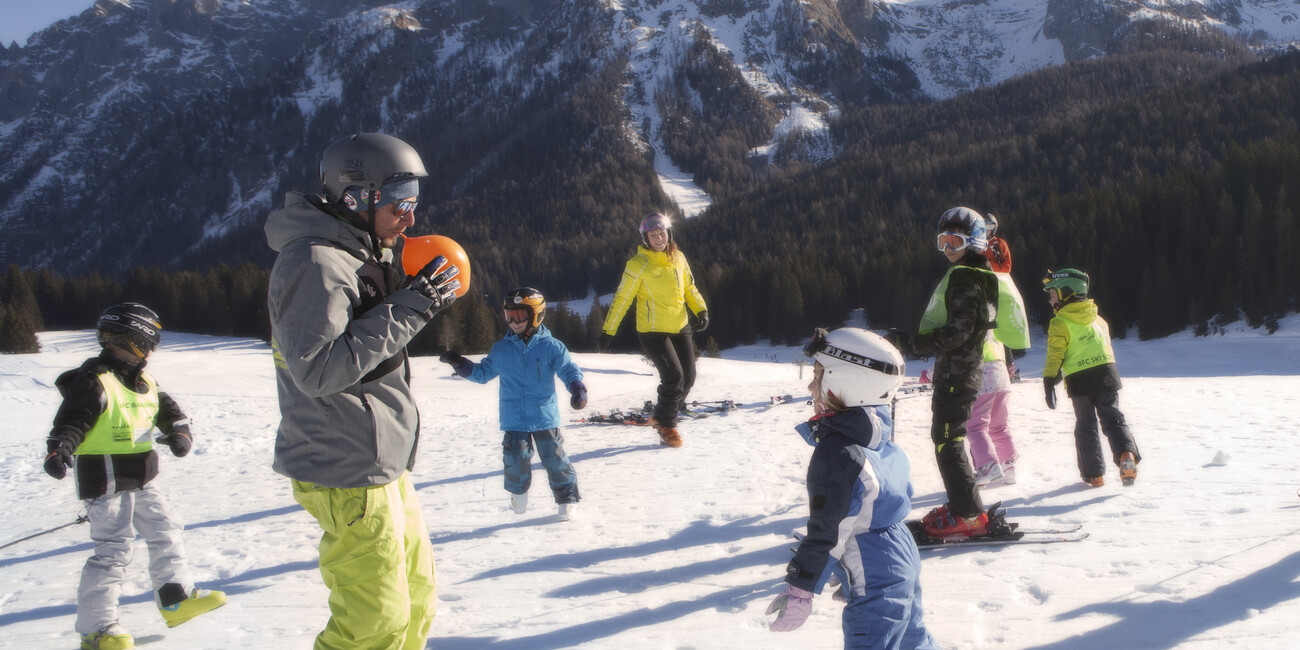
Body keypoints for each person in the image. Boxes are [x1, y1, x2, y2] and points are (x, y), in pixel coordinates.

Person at [266, 133, 460, 649]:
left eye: (414, 202)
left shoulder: (362, 254)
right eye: (399, 204)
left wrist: (410, 295)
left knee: (416, 601)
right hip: (345, 462)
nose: (409, 218)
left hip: (381, 458)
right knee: (374, 623)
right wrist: (411, 306)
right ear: (357, 197)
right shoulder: (315, 263)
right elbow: (317, 370)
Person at [42, 303, 226, 650]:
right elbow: (71, 421)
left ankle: (175, 599)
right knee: (114, 550)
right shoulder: (94, 381)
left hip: (142, 476)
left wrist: (179, 433)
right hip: (105, 479)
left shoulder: (145, 381)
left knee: (166, 529)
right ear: (132, 340)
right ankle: (96, 630)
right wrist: (59, 449)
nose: (150, 353)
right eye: (147, 345)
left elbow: (170, 412)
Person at [767, 328, 938, 650]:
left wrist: (801, 589)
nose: (810, 387)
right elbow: (880, 503)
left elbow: (828, 530)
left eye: (818, 377)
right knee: (911, 636)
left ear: (847, 382)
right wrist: (847, 569)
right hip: (901, 551)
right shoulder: (878, 437)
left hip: (875, 565)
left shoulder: (839, 453)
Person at [886, 207, 1000, 539]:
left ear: (974, 242)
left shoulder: (965, 278)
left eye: (955, 241)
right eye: (942, 241)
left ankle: (968, 515)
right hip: (963, 372)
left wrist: (909, 343)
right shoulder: (980, 274)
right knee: (947, 440)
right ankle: (964, 506)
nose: (948, 248)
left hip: (957, 374)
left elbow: (956, 333)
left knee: (948, 441)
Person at [440, 287, 587, 520]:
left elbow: (568, 370)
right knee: (514, 458)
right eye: (509, 316)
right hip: (514, 417)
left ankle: (567, 498)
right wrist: (459, 363)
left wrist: (578, 389)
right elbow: (482, 374)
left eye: (518, 316)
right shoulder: (502, 349)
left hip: (544, 416)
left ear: (536, 315)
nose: (513, 322)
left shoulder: (551, 347)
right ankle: (518, 492)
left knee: (554, 457)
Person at [599, 213, 709, 448]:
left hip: (680, 325)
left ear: (669, 233)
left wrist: (701, 310)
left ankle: (662, 414)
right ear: (645, 239)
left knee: (689, 377)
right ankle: (665, 425)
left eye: (662, 234)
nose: (659, 239)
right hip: (652, 331)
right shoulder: (637, 264)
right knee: (674, 376)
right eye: (653, 235)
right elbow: (622, 298)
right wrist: (608, 330)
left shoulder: (678, 257)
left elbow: (689, 287)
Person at [1041, 268, 1141, 487]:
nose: (1050, 300)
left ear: (1066, 292)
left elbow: (1056, 354)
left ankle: (1094, 475)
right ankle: (1126, 455)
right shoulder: (1099, 320)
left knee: (1086, 425)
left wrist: (1049, 379)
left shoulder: (1060, 322)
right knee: (1114, 419)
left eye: (1053, 294)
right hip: (1107, 375)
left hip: (1080, 381)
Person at [967, 213, 1031, 487]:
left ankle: (987, 466)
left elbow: (1005, 265)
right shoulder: (994, 324)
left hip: (982, 374)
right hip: (1000, 374)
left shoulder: (997, 244)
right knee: (999, 425)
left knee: (976, 425)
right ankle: (1009, 465)